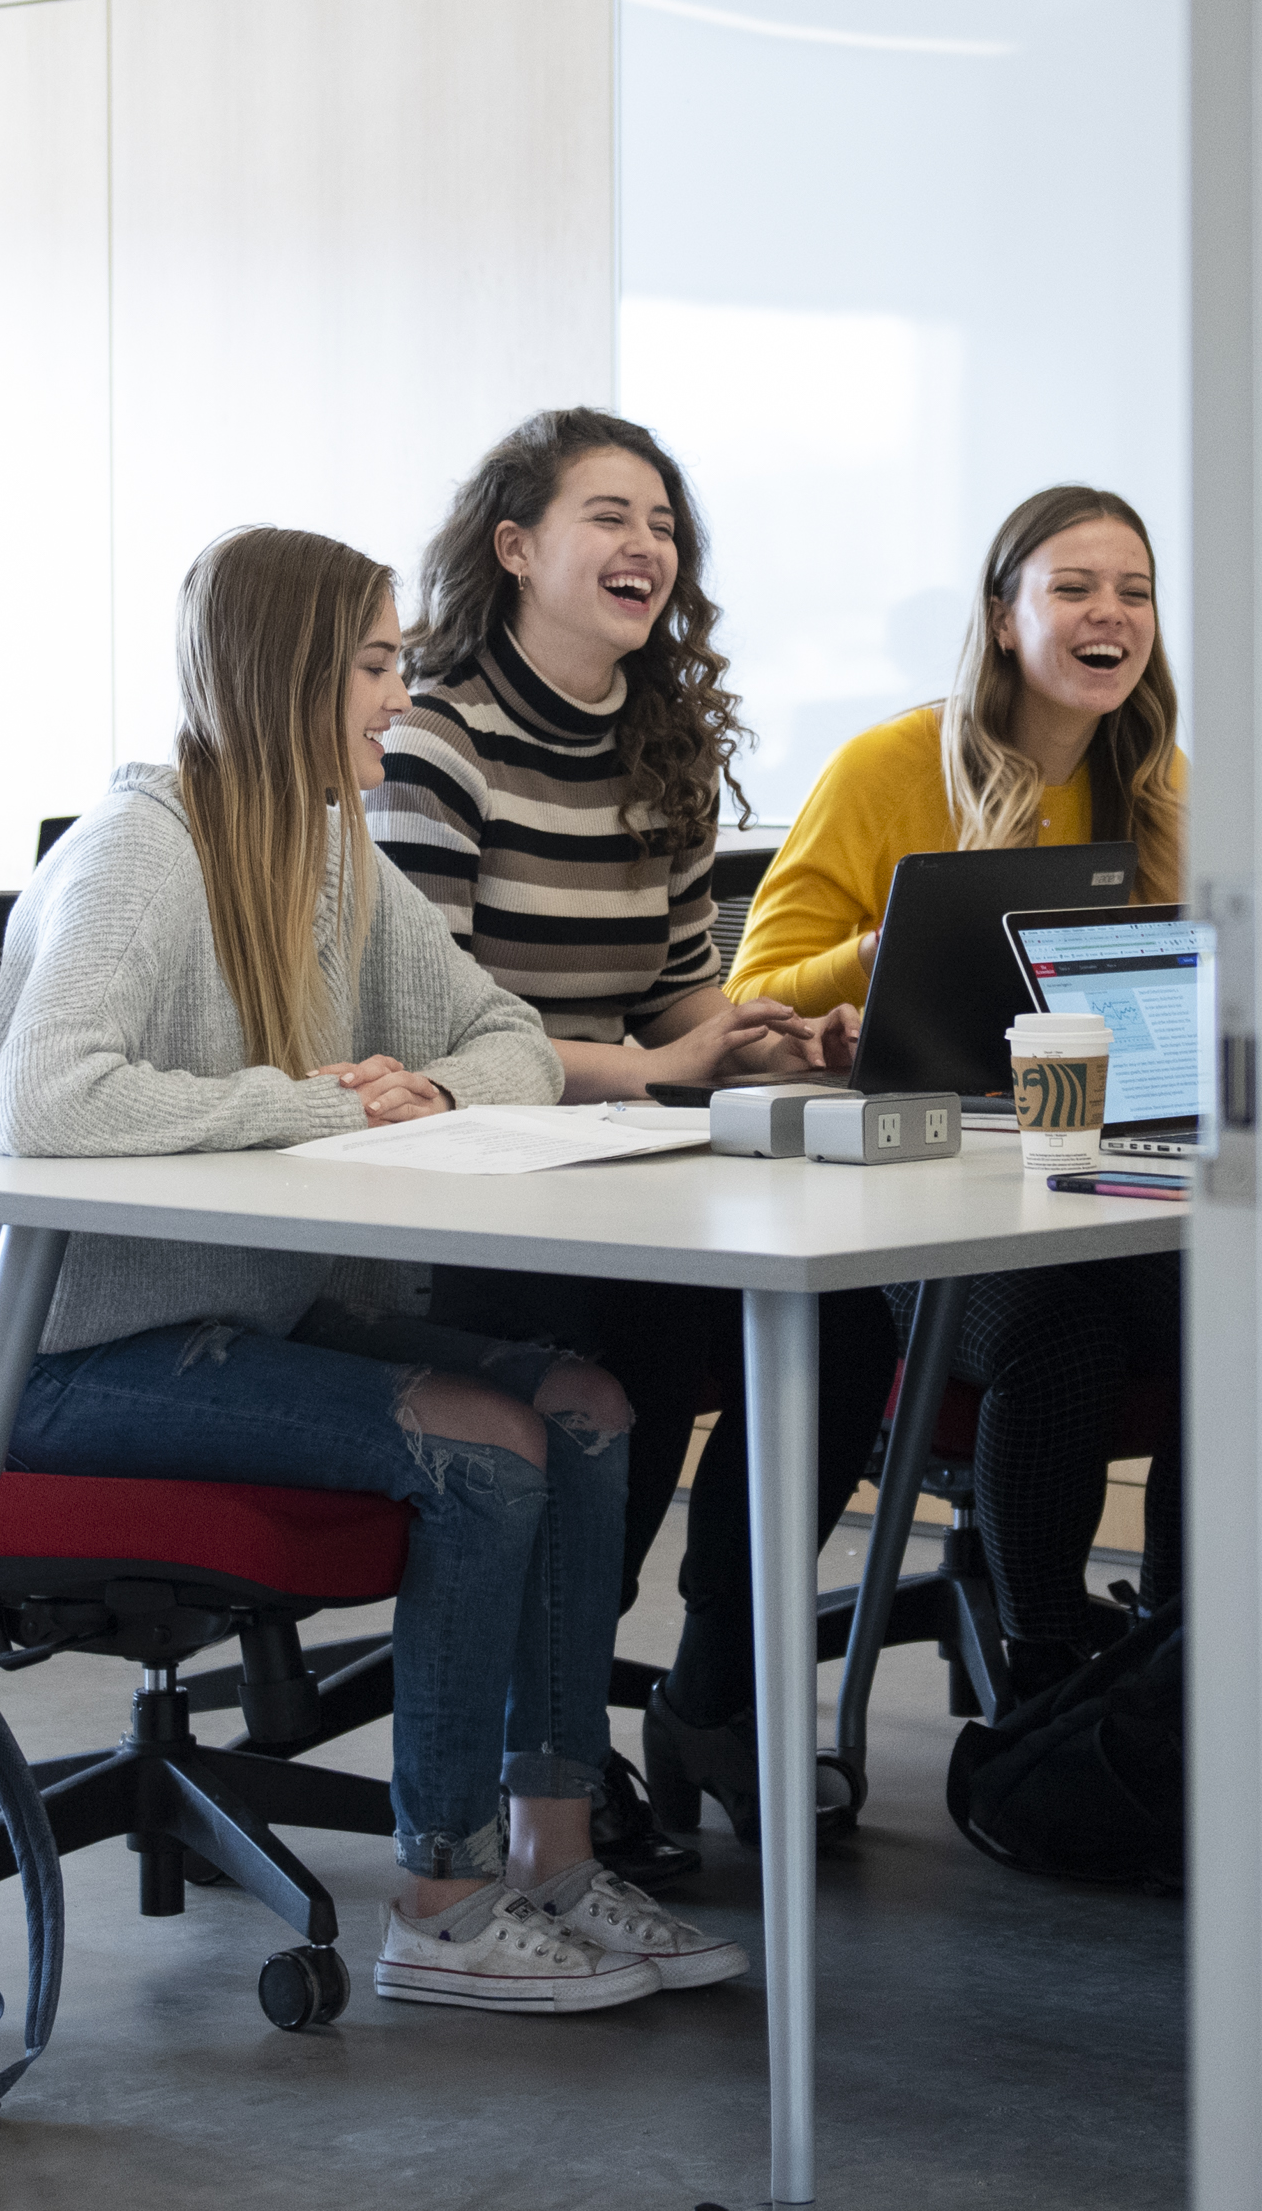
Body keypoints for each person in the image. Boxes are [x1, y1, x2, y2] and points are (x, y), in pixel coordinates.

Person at [0, 524, 742, 2013]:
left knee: (584, 1401)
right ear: (289, 675)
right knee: (483, 1441)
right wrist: (321, 1102)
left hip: (243, 1320)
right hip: (73, 1358)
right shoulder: (140, 850)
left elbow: (509, 1037)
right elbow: (46, 1103)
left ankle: (554, 1852)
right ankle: (443, 1898)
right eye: (379, 665)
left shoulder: (331, 855)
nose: (403, 695)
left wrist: (438, 1091)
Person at [369, 408, 887, 1845]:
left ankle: (712, 1697)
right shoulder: (432, 741)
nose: (646, 546)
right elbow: (436, 1036)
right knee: (624, 1339)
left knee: (842, 1324)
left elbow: (677, 1004)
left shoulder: (661, 751)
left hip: (611, 1166)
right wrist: (657, 1070)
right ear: (517, 545)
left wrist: (758, 1044)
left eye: (663, 524)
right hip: (460, 1190)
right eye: (610, 515)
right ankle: (558, 1738)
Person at [732, 482, 1187, 1701]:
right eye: (1075, 588)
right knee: (1058, 1332)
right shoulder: (891, 763)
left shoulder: (1153, 779)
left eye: (1135, 592)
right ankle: (1044, 1668)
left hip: (1080, 1174)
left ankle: (1182, 1651)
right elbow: (753, 990)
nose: (1113, 616)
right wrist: (879, 953)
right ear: (1002, 618)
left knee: (1244, 1310)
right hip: (911, 1187)